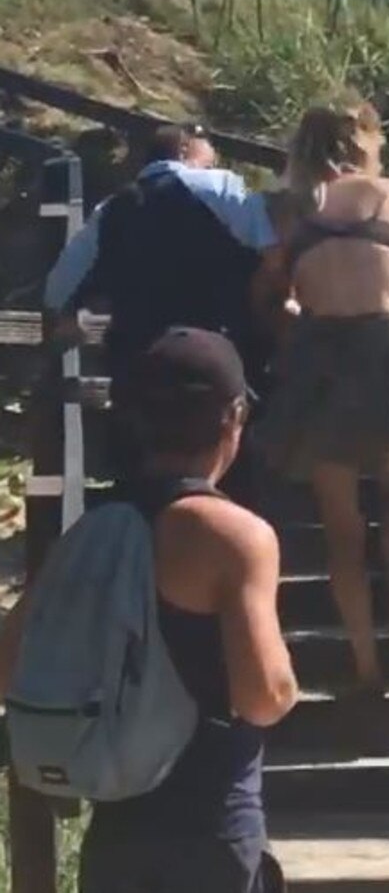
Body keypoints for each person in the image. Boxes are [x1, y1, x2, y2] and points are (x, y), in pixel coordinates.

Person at [0, 326, 298, 891]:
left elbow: (8, 666)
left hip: (117, 825)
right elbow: (263, 697)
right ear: (233, 416)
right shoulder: (234, 537)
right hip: (211, 828)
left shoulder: (89, 533)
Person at [260, 99, 389, 691]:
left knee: (341, 525)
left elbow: (270, 294)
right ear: (365, 141)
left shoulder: (291, 208)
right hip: (387, 347)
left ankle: (365, 662)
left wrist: (298, 314)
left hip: (320, 353)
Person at [44, 124, 276, 392]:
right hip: (215, 358)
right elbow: (269, 253)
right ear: (184, 148)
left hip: (137, 364)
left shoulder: (111, 208)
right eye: (210, 147)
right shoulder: (219, 185)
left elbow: (59, 290)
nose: (215, 160)